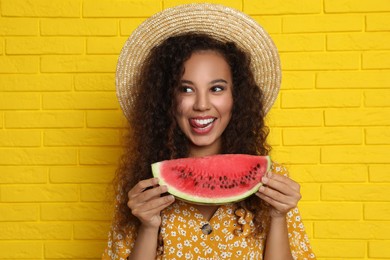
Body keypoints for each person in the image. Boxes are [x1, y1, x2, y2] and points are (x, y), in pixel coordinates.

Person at [103, 3, 316, 260]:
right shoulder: (143, 187)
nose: (202, 105)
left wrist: (278, 215)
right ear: (166, 99)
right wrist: (148, 226)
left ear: (237, 97)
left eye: (216, 89)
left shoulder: (272, 183)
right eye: (186, 89)